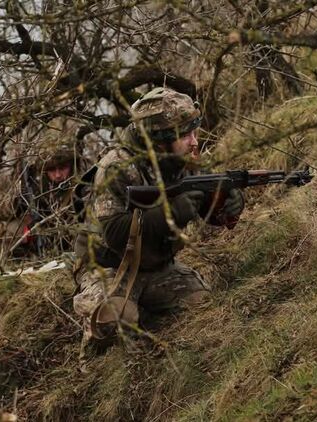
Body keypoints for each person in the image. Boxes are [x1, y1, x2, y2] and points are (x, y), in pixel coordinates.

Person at [72, 87, 245, 359]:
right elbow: (114, 233)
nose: (194, 142)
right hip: (108, 266)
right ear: (160, 140)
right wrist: (168, 213)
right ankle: (91, 362)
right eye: (185, 135)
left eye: (194, 132)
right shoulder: (116, 167)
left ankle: (145, 309)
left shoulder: (183, 159)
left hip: (156, 266)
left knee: (202, 304)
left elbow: (207, 205)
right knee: (113, 323)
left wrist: (229, 201)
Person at [13, 138, 81, 258]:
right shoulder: (37, 188)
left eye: (63, 168)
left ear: (71, 166)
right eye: (52, 170)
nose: (58, 175)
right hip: (44, 245)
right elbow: (7, 214)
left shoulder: (81, 187)